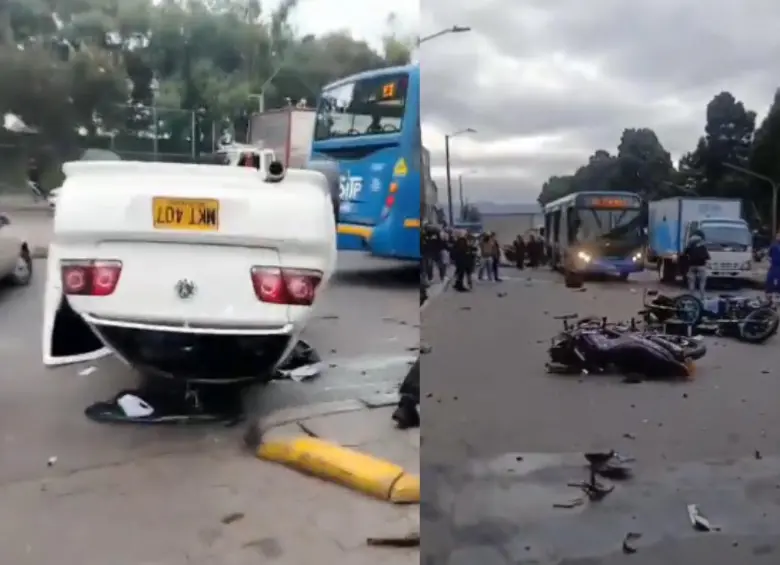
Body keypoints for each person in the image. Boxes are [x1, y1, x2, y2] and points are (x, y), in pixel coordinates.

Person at [682, 231, 710, 298]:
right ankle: (702, 297)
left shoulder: (690, 243)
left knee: (691, 282)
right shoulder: (702, 244)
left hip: (692, 266)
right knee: (702, 282)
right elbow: (707, 256)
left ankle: (692, 297)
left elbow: (685, 253)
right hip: (701, 266)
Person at [765, 231, 780, 298]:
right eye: (778, 236)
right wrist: (769, 261)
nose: (779, 238)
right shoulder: (773, 246)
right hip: (774, 265)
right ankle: (769, 293)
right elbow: (768, 256)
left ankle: (777, 292)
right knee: (770, 278)